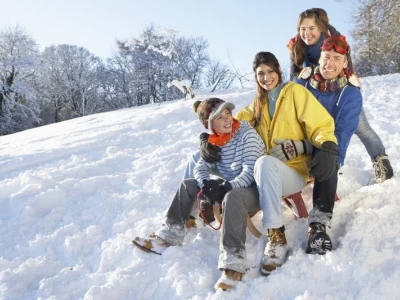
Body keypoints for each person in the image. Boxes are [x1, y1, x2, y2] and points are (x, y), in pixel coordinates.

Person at [199, 52, 338, 276]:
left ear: (278, 71)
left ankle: (277, 237)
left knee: (264, 162)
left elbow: (320, 123)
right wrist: (206, 139)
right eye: (260, 74)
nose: (266, 77)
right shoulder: (256, 107)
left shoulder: (294, 92)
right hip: (263, 176)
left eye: (270, 71)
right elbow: (227, 125)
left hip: (294, 172)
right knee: (256, 163)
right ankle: (274, 237)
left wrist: (327, 144)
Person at [132, 97, 266, 291]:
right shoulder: (215, 141)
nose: (227, 119)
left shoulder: (246, 133)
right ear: (210, 125)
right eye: (220, 117)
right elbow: (201, 167)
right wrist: (206, 186)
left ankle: (233, 263)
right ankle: (170, 234)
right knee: (188, 185)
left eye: (227, 113)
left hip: (253, 190)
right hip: (229, 187)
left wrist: (226, 188)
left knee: (232, 196)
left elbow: (249, 170)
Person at [287, 8, 393, 183]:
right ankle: (310, 166)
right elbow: (292, 73)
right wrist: (302, 75)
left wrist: (351, 84)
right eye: (302, 29)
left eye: (311, 28)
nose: (307, 33)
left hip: (340, 90)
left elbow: (345, 64)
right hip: (314, 91)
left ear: (320, 27)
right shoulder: (296, 45)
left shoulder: (333, 39)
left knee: (361, 128)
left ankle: (382, 165)